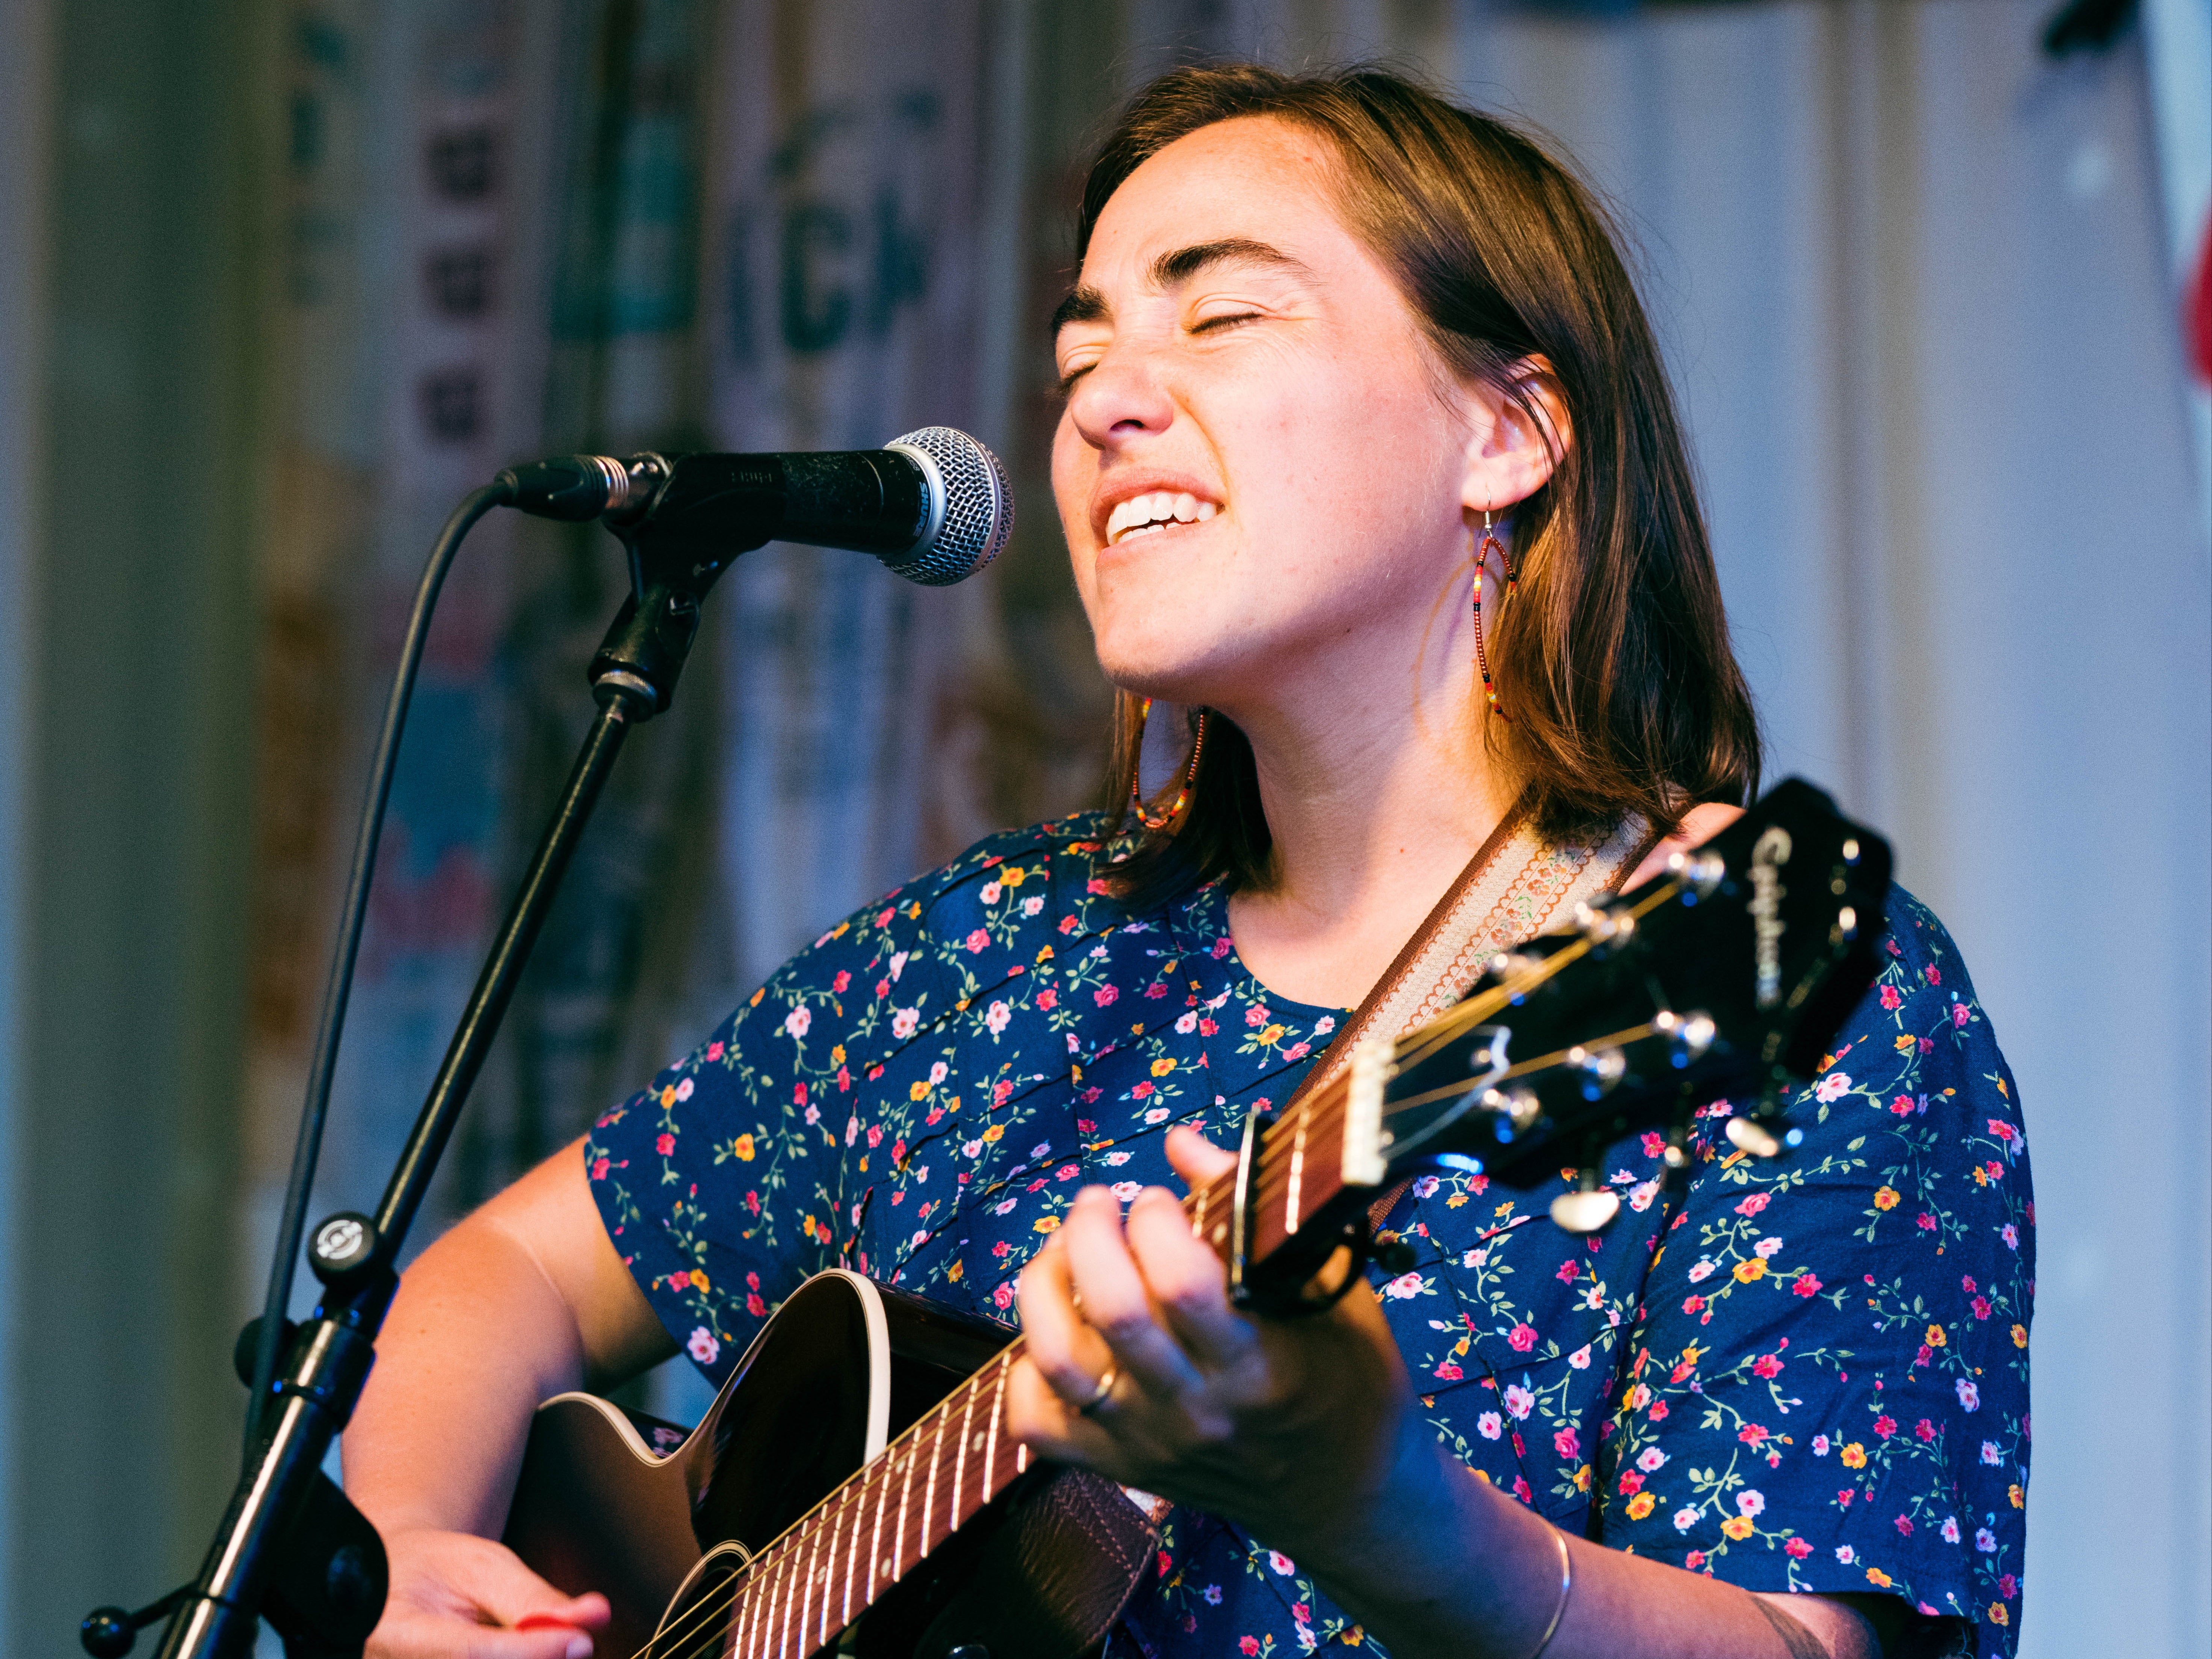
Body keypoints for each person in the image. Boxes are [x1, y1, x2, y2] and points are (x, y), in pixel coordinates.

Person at [348, 63, 2031, 1659]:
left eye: (1218, 313)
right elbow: (506, 1271)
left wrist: (1382, 1511)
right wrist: (419, 1548)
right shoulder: (984, 958)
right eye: (1081, 356)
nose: (1102, 404)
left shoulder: (1740, 973)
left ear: (1505, 435)